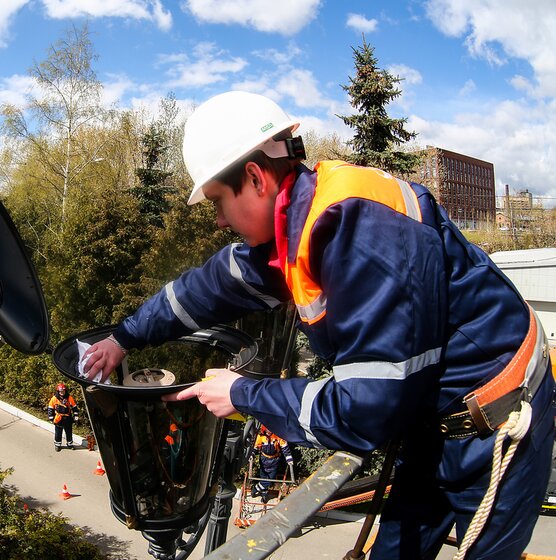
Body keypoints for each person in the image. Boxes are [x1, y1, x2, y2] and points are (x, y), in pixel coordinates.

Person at [82, 91, 555, 559]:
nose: (221, 221)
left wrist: (242, 394)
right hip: (430, 414)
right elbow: (208, 288)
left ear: (254, 177)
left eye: (217, 202)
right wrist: (126, 337)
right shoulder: (298, 222)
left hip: (500, 421)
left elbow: (364, 410)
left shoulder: (360, 231)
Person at [250, 425, 294, 503]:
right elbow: (255, 448)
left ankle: (255, 488)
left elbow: (285, 448)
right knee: (263, 477)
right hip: (264, 460)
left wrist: (289, 459)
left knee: (270, 479)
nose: (269, 431)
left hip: (275, 460)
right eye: (267, 430)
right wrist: (252, 455)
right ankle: (264, 493)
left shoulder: (278, 436)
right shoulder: (261, 436)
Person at [47, 383, 80, 451]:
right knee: (58, 432)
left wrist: (76, 415)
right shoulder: (54, 398)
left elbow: (74, 407)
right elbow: (50, 408)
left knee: (69, 432)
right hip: (58, 418)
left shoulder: (69, 397)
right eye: (61, 391)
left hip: (68, 418)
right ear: (58, 391)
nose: (62, 392)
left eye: (63, 391)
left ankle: (70, 444)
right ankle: (57, 445)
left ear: (65, 391)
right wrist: (51, 417)